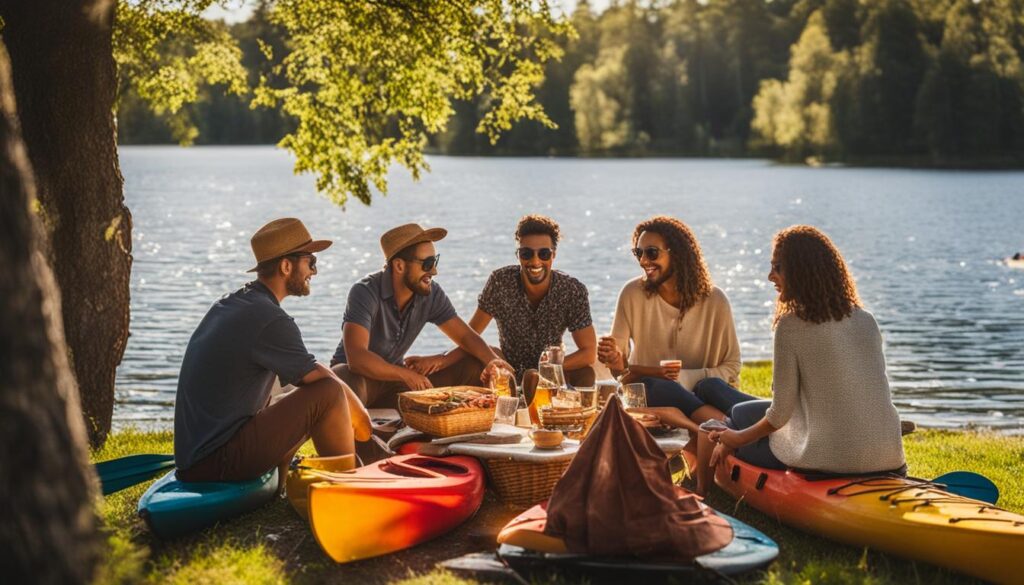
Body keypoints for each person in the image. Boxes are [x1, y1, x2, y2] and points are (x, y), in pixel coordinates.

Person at [699, 225, 905, 493]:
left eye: (777, 267)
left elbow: (779, 415)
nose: (770, 276)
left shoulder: (792, 326)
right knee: (739, 411)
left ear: (801, 271)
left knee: (738, 419)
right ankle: (729, 427)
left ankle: (715, 456)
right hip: (890, 456)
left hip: (828, 460)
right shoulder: (865, 320)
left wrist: (735, 439)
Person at [174, 218, 372, 484]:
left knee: (289, 388)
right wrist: (361, 418)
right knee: (327, 393)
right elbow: (323, 383)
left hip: (197, 458)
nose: (314, 271)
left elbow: (302, 376)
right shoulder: (270, 318)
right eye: (310, 262)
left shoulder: (238, 303)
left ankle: (285, 480)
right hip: (214, 464)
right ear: (286, 266)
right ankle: (348, 486)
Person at [331, 223, 512, 407]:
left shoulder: (431, 293)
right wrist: (405, 374)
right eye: (427, 264)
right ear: (399, 265)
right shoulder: (364, 292)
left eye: (435, 262)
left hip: (395, 384)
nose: (434, 271)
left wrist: (491, 361)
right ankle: (362, 431)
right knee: (343, 376)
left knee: (487, 356)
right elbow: (357, 358)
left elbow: (465, 336)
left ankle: (482, 424)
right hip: (358, 382)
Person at [597, 216, 740, 442]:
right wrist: (613, 359)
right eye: (638, 253)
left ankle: (758, 420)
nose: (643, 261)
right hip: (652, 394)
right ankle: (727, 430)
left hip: (704, 395)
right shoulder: (631, 294)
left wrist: (685, 379)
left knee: (710, 386)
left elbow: (732, 366)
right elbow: (622, 373)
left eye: (652, 252)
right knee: (652, 386)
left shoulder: (715, 300)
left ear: (678, 253)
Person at [428, 214, 597, 388]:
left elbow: (589, 353)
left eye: (544, 254)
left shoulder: (572, 290)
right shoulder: (500, 281)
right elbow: (470, 336)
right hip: (507, 370)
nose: (535, 260)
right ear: (518, 255)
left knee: (585, 373)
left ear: (553, 255)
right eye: (526, 253)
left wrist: (547, 369)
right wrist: (442, 360)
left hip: (549, 376)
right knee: (483, 357)